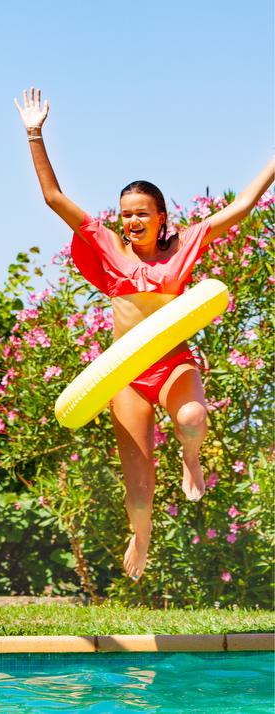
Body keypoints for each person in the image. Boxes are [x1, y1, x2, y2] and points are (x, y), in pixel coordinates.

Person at [15, 86, 275, 579]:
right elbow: (53, 197)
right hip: (127, 374)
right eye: (126, 213)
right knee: (138, 486)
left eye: (141, 213)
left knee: (194, 417)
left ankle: (191, 459)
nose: (131, 220)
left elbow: (241, 207)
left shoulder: (183, 246)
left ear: (161, 218)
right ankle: (142, 536)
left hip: (173, 362)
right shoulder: (109, 246)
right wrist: (34, 133)